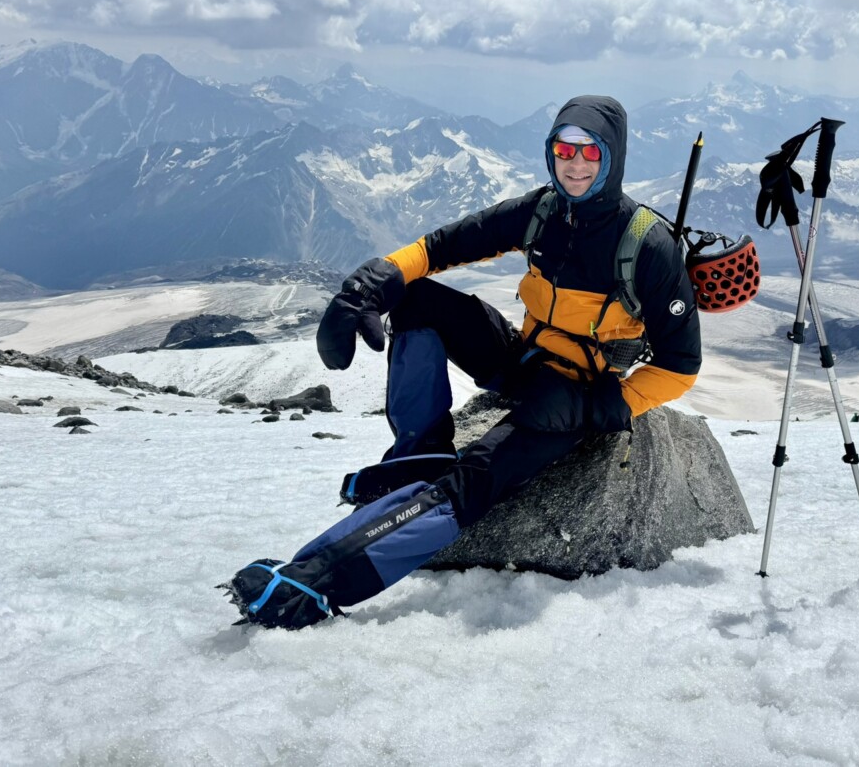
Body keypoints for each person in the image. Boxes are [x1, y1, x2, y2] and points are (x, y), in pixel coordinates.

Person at [226, 95, 702, 630]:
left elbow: (681, 366)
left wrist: (597, 409)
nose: (575, 163)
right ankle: (417, 455)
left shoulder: (647, 246)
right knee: (413, 297)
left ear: (611, 158)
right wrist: (371, 281)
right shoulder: (543, 212)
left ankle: (315, 583)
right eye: (564, 148)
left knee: (472, 482)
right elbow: (442, 246)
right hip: (525, 362)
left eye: (590, 152)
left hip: (574, 397)